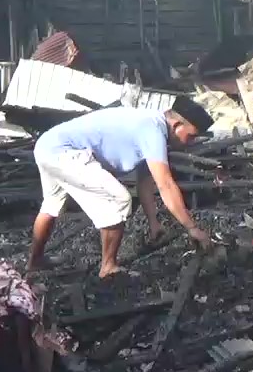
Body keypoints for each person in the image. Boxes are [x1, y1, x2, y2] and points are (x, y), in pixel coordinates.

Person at [27, 98, 216, 276]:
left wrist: (153, 222)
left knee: (51, 205)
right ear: (176, 125)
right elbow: (165, 184)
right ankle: (108, 267)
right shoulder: (152, 130)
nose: (190, 142)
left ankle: (35, 262)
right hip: (64, 151)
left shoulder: (150, 125)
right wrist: (192, 228)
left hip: (47, 146)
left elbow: (145, 181)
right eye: (191, 136)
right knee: (119, 199)